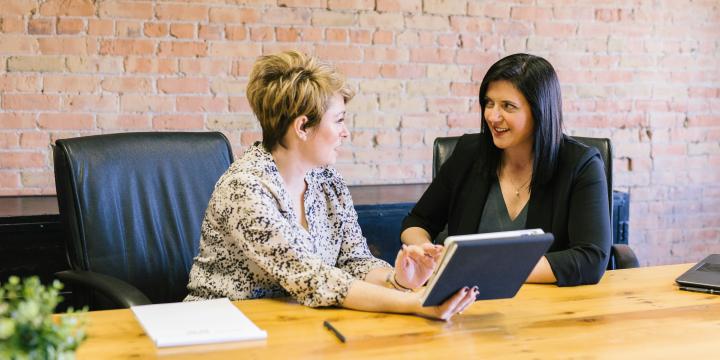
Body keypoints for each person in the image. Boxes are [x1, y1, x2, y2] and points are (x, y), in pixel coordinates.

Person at [185, 50, 477, 320]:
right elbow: (313, 278)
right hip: (220, 328)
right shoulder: (245, 188)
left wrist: (399, 280)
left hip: (296, 324)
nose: (345, 132)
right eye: (338, 120)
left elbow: (355, 261)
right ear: (302, 127)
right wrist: (416, 303)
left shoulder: (327, 181)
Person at [401, 53, 612, 286]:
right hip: (465, 302)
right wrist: (424, 251)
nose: (492, 116)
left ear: (539, 111)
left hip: (547, 305)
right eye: (489, 103)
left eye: (508, 106)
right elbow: (417, 221)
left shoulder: (581, 165)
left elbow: (591, 259)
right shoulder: (469, 153)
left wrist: (486, 269)